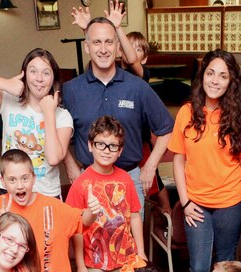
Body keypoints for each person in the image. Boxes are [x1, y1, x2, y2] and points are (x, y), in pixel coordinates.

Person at [62, 14, 173, 212]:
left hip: (130, 179)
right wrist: (70, 165)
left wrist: (150, 166)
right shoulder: (71, 90)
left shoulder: (137, 87)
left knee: (130, 240)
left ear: (117, 47)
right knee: (89, 241)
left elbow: (166, 128)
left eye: (108, 42)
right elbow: (54, 131)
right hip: (87, 180)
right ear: (87, 47)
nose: (103, 49)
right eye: (96, 42)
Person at [169, 49, 241, 272]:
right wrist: (184, 202)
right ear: (202, 76)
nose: (215, 80)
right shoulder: (186, 112)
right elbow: (178, 160)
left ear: (231, 82)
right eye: (210, 73)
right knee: (200, 267)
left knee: (225, 264)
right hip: (196, 203)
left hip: (230, 201)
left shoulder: (238, 117)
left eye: (223, 76)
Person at [0, 48, 73, 198]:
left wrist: (49, 113)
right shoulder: (9, 101)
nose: (39, 78)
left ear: (53, 79)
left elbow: (54, 158)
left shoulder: (62, 116)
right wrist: (5, 84)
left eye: (46, 73)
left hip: (45, 194)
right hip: (10, 190)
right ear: (24, 74)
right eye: (33, 71)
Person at [65, 116, 146, 272]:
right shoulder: (81, 184)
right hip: (98, 262)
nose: (106, 150)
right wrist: (80, 266)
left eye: (113, 146)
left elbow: (135, 216)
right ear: (90, 146)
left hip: (126, 257)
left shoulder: (125, 178)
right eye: (101, 144)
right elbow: (75, 229)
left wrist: (141, 252)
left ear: (120, 151)